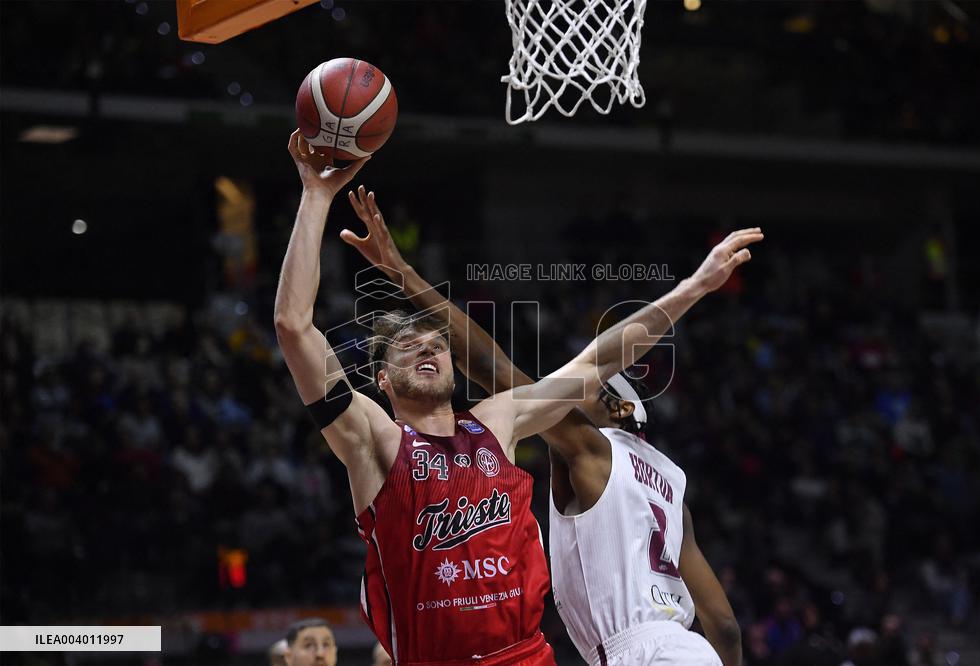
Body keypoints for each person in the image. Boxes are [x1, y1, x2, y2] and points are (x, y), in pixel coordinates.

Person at [275, 130, 758, 664]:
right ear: (382, 381)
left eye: (436, 341)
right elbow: (294, 326)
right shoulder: (375, 440)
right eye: (407, 347)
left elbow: (597, 362)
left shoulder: (496, 423)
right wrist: (316, 196)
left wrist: (693, 287)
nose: (427, 347)